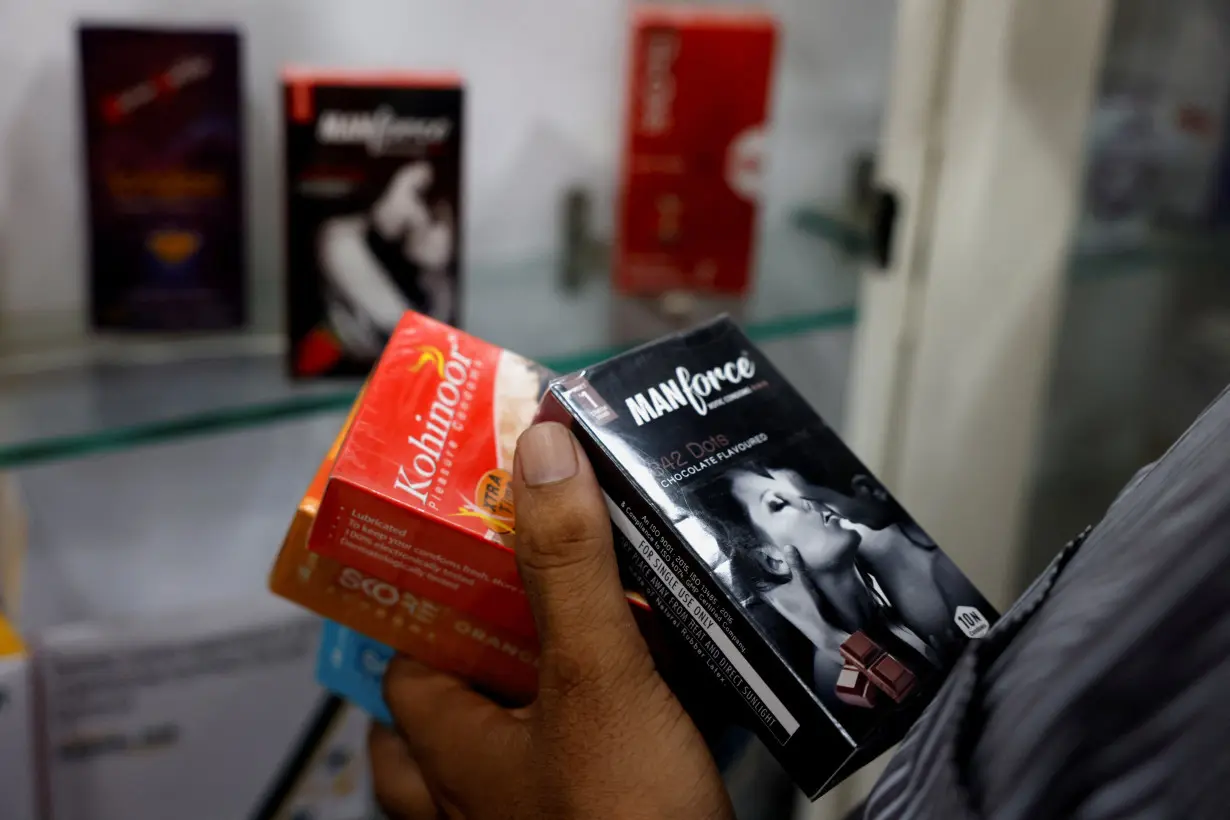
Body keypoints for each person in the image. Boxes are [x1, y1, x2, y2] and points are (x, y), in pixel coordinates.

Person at [372, 391, 1230, 818]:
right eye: (779, 503)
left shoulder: (903, 575)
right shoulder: (839, 645)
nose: (808, 497)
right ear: (765, 560)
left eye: (792, 484)